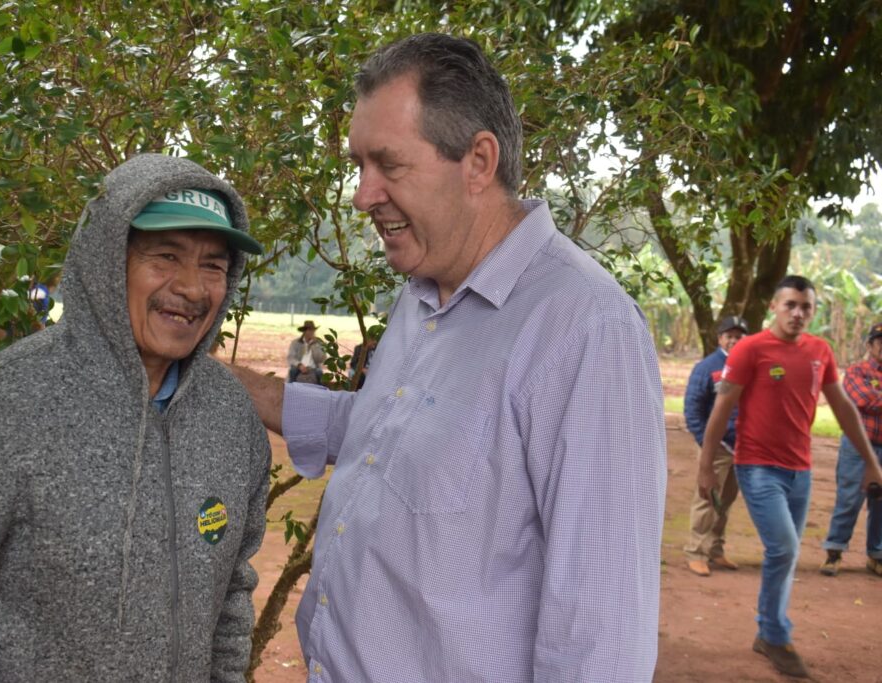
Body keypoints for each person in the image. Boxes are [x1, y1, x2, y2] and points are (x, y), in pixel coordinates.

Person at [230, 33, 666, 681]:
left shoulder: (585, 329)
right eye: (358, 165)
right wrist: (250, 390)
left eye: (388, 164)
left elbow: (598, 637)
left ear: (479, 161)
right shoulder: (424, 291)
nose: (361, 194)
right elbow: (392, 441)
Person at [0, 153, 271, 682]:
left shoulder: (232, 420)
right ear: (105, 262)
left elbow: (230, 593)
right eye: (165, 256)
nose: (193, 288)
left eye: (213, 264)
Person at [697, 275, 882, 679]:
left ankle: (766, 632)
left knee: (787, 552)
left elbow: (845, 408)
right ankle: (776, 635)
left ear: (813, 311)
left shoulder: (820, 350)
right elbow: (721, 406)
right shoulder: (750, 348)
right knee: (782, 549)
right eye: (790, 305)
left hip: (801, 470)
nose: (798, 313)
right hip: (757, 466)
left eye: (806, 307)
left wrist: (870, 460)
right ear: (775, 308)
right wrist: (705, 465)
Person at [683, 315, 748, 576]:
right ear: (720, 338)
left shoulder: (750, 365)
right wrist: (705, 443)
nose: (734, 340)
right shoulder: (707, 367)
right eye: (729, 335)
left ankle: (715, 550)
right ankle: (695, 551)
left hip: (741, 446)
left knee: (727, 500)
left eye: (739, 335)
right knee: (706, 499)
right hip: (716, 447)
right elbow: (693, 409)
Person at [819, 320, 882, 578]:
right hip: (858, 446)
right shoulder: (858, 370)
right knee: (849, 498)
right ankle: (834, 552)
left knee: (881, 504)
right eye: (880, 342)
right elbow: (862, 399)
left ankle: (876, 555)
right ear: (869, 345)